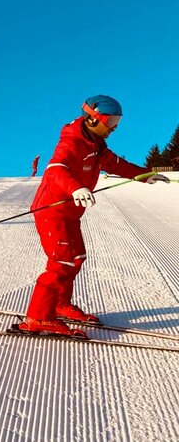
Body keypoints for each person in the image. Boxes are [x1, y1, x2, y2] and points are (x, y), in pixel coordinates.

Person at [19, 95, 169, 337]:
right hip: (52, 210)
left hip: (70, 213)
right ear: (92, 119)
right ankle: (39, 317)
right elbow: (56, 168)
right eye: (110, 121)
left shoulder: (97, 146)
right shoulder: (72, 142)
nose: (115, 127)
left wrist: (145, 174)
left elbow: (118, 164)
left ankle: (60, 304)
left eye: (117, 121)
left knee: (76, 257)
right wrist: (75, 188)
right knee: (61, 262)